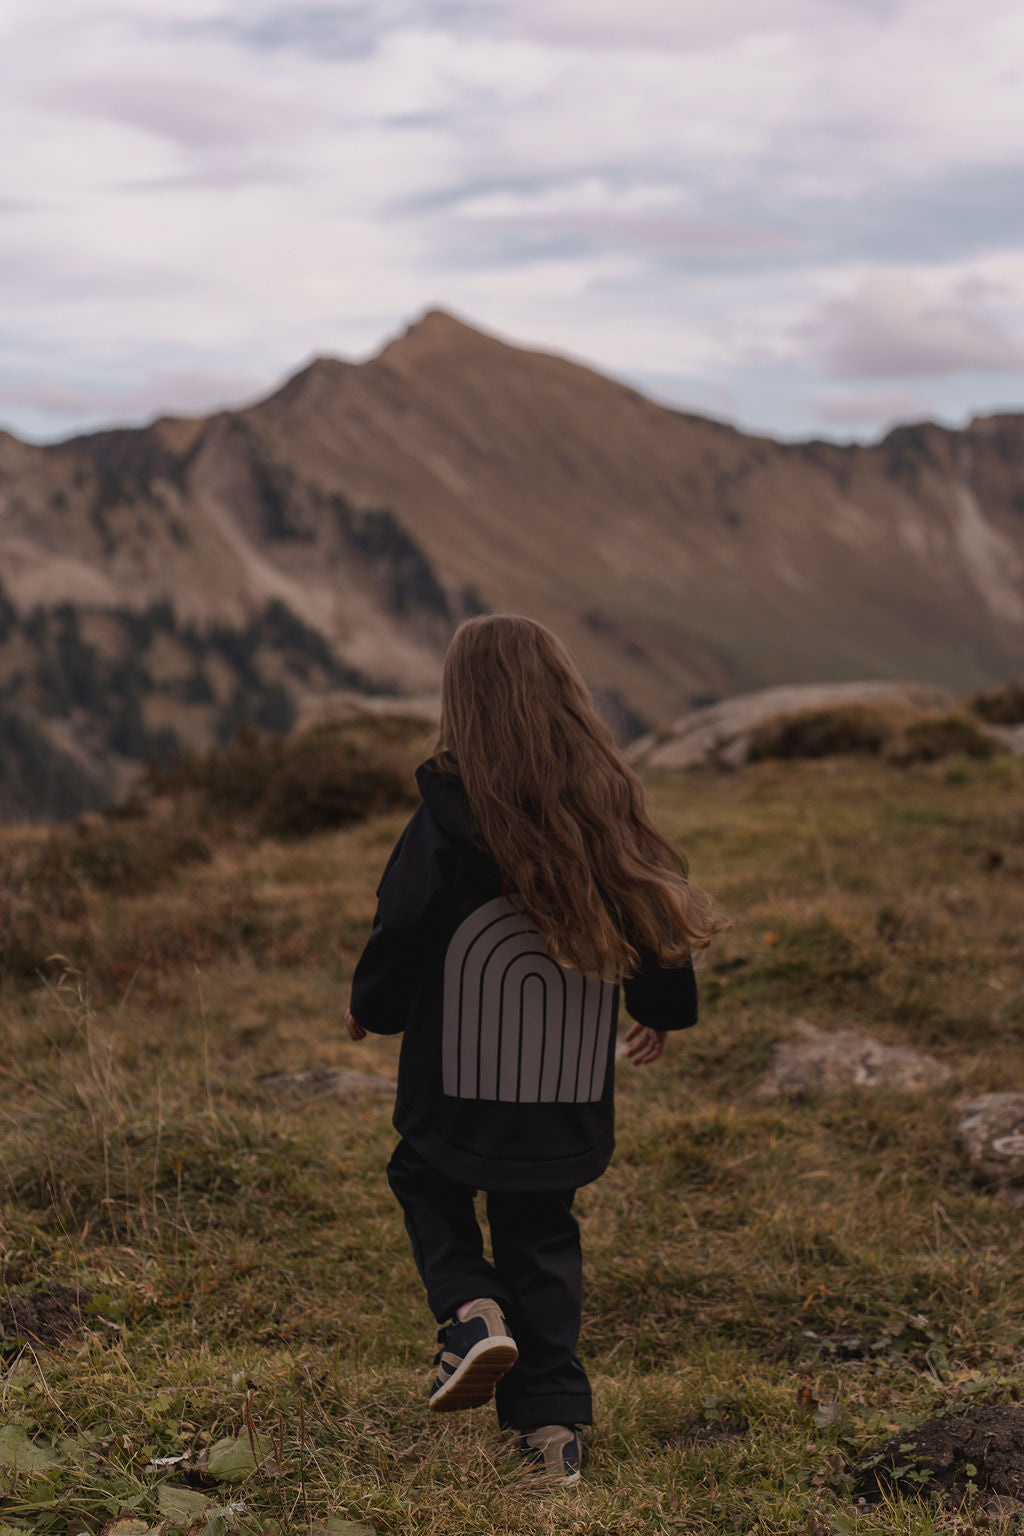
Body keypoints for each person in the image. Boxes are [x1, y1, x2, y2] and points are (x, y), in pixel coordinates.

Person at [344, 614, 720, 1486]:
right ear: (565, 698)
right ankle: (553, 1439)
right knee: (541, 1231)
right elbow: (655, 908)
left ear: (460, 703)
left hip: (458, 1082)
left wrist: (374, 1007)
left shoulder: (444, 814)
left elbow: (401, 926)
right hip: (564, 1088)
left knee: (423, 1177)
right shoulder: (603, 806)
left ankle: (472, 1313)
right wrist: (661, 1008)